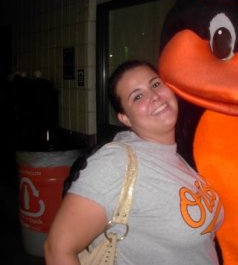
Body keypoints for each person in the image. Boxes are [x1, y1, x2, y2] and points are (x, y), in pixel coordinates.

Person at [44, 60, 224, 265]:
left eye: (155, 84)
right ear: (125, 118)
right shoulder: (115, 163)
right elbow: (57, 249)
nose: (154, 97)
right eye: (138, 96)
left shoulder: (175, 156)